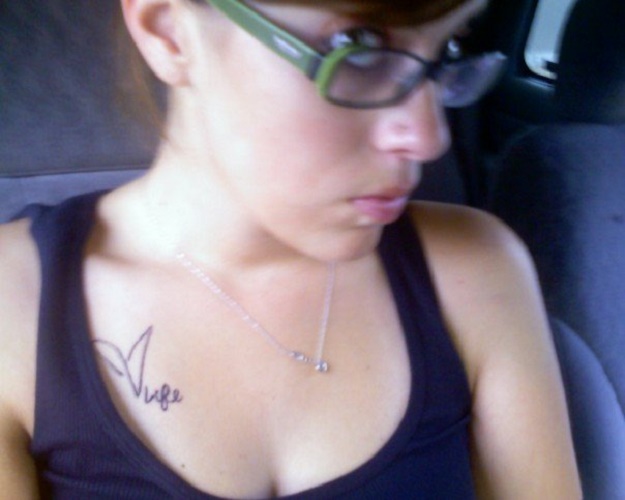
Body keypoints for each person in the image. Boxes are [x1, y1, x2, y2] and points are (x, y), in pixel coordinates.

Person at [0, 0, 582, 498]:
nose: (429, 138)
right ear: (169, 31)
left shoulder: (477, 271)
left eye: (448, 48)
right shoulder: (14, 302)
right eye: (357, 49)